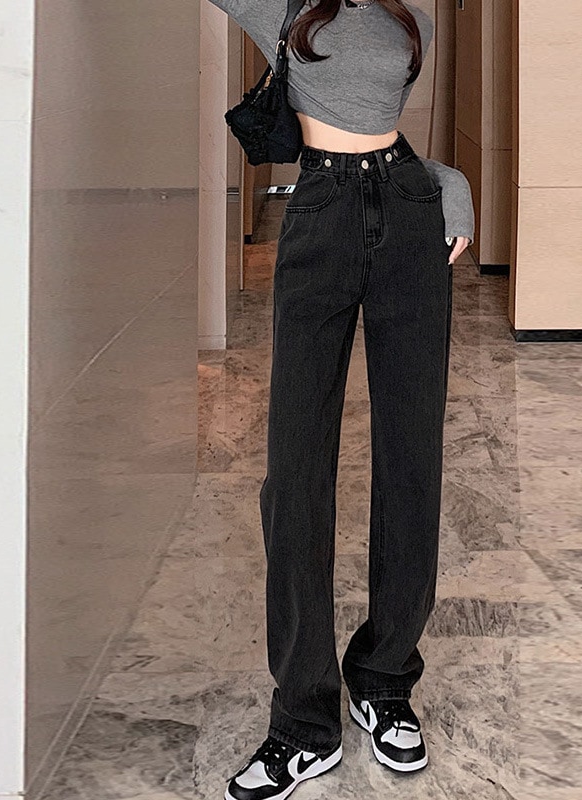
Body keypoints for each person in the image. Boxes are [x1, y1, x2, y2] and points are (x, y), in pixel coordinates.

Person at [207, 2, 474, 798]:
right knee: (294, 477)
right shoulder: (282, 6)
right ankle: (304, 723)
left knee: (411, 463)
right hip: (320, 213)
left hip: (410, 216)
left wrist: (450, 182)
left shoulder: (409, 15)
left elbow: (385, 130)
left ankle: (384, 680)